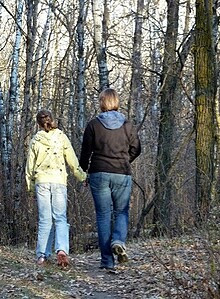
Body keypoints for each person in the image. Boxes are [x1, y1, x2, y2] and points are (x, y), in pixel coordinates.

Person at [79, 88, 141, 270]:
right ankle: (119, 240)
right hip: (121, 173)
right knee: (121, 211)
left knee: (103, 216)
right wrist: (124, 160)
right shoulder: (127, 125)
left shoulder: (93, 125)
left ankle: (107, 261)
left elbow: (85, 153)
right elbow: (136, 148)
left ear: (101, 102)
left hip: (99, 173)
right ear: (116, 102)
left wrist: (84, 171)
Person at [26, 109, 86, 267]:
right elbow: (72, 161)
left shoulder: (35, 140)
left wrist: (31, 187)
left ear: (38, 124)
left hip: (42, 182)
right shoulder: (61, 137)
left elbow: (29, 168)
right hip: (59, 181)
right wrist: (82, 177)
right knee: (60, 218)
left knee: (45, 220)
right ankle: (62, 250)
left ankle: (42, 256)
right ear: (52, 120)